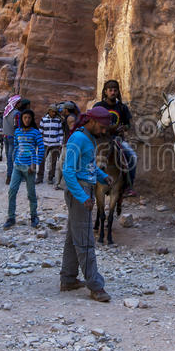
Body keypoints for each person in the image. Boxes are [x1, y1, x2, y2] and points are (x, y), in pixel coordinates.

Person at [60, 106, 114, 302]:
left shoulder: (89, 138)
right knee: (85, 240)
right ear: (91, 121)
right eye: (101, 127)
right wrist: (83, 198)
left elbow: (88, 166)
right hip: (79, 192)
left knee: (73, 236)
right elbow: (68, 172)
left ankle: (68, 278)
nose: (103, 131)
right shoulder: (77, 139)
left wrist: (103, 176)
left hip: (85, 188)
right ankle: (96, 286)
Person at [93, 80, 138, 196]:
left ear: (118, 92)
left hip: (118, 140)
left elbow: (128, 124)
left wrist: (124, 127)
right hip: (101, 139)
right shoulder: (99, 106)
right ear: (105, 92)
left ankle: (128, 186)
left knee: (132, 156)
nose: (113, 92)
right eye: (110, 90)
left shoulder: (122, 108)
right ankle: (90, 183)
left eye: (115, 90)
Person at [4, 109, 44, 229]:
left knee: (31, 193)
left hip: (29, 168)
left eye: (29, 118)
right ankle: (11, 217)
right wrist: (15, 160)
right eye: (24, 118)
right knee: (12, 191)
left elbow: (41, 150)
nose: (27, 120)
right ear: (21, 119)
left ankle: (33, 216)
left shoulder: (36, 133)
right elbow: (16, 147)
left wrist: (34, 164)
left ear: (32, 119)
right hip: (17, 166)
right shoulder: (17, 132)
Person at [54, 101, 80, 190]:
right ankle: (59, 184)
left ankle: (62, 185)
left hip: (69, 145)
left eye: (63, 109)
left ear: (66, 109)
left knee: (63, 165)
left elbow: (73, 132)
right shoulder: (69, 117)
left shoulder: (71, 118)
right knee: (62, 164)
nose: (62, 111)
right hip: (67, 144)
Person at [38, 105, 63, 184]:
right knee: (42, 160)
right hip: (45, 143)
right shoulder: (43, 120)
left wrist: (60, 144)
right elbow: (40, 132)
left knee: (53, 161)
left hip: (55, 144)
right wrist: (39, 142)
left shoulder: (58, 120)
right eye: (52, 111)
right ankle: (39, 177)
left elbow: (60, 133)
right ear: (49, 111)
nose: (54, 113)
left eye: (55, 112)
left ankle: (50, 177)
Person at [2, 95, 20, 185]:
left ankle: (10, 175)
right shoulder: (16, 113)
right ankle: (10, 176)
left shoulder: (6, 111)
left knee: (8, 157)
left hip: (5, 136)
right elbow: (17, 126)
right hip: (13, 137)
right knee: (12, 157)